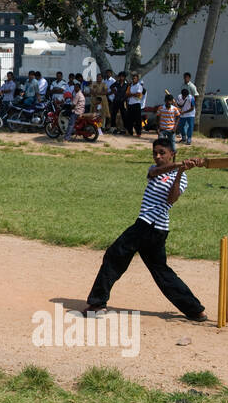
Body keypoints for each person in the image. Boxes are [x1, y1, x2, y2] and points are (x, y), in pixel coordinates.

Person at [82, 137, 209, 321]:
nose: (157, 156)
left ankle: (97, 303)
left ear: (172, 154)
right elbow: (155, 172)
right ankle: (195, 310)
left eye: (162, 153)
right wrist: (180, 164)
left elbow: (171, 200)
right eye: (155, 153)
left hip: (151, 226)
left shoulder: (182, 178)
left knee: (115, 255)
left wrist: (181, 171)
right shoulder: (154, 169)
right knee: (161, 271)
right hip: (149, 227)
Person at [125, 73, 146, 138]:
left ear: (137, 79)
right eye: (133, 78)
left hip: (136, 104)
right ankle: (130, 132)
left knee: (137, 120)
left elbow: (138, 94)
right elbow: (127, 94)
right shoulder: (130, 86)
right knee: (129, 119)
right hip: (130, 104)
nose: (133, 79)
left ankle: (138, 132)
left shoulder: (139, 86)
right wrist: (132, 94)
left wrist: (131, 94)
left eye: (135, 78)